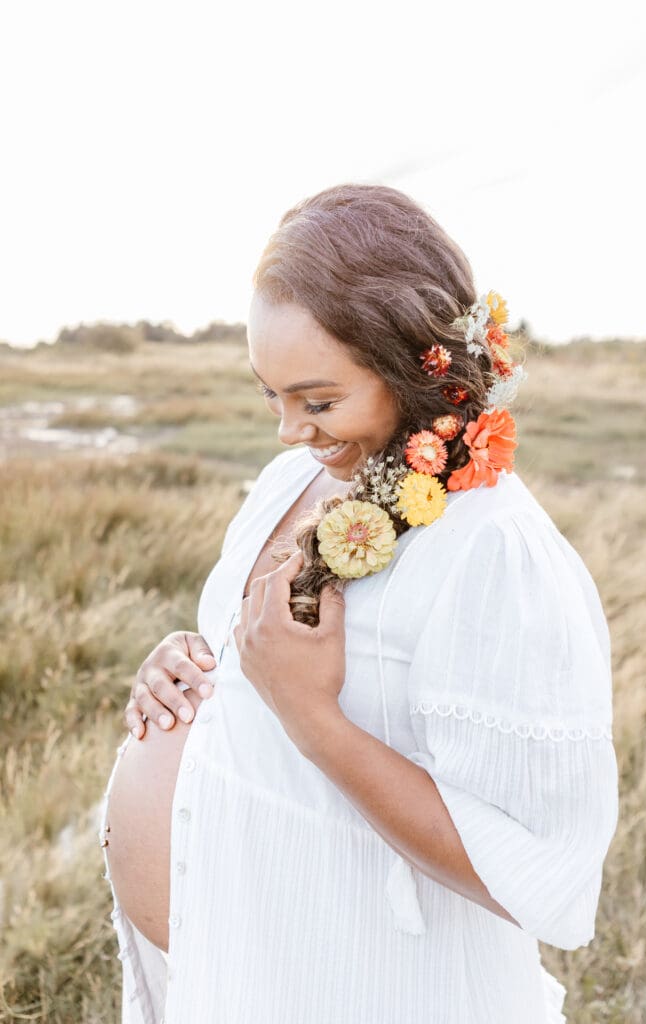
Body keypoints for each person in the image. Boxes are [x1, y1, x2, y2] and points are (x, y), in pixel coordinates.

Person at [98, 183, 619, 1024]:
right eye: (270, 395)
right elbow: (255, 659)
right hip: (236, 965)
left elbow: (542, 879)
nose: (287, 430)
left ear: (412, 363)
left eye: (318, 400)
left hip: (361, 984)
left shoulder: (492, 549)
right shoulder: (291, 481)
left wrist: (313, 719)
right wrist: (187, 667)